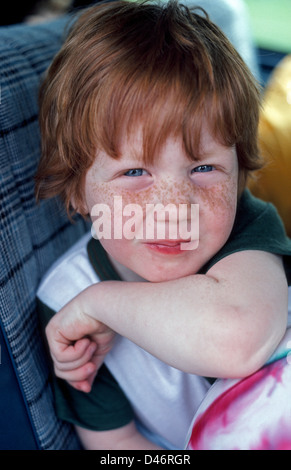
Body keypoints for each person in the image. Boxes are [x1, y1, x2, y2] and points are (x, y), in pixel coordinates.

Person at [35, 0, 291, 450]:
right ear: (77, 191)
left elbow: (237, 339)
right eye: (135, 173)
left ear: (238, 174)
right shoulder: (63, 300)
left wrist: (101, 304)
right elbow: (114, 443)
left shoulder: (246, 228)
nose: (174, 207)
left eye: (204, 169)